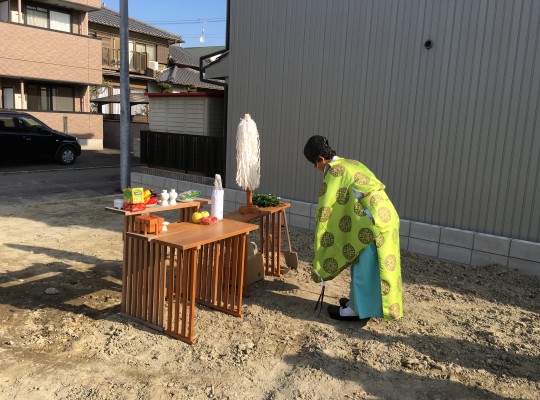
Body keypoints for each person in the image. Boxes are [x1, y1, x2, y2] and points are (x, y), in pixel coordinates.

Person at [303, 135, 403, 322]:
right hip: (386, 213)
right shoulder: (351, 163)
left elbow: (327, 208)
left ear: (320, 159)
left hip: (371, 222)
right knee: (378, 267)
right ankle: (360, 304)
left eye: (314, 164)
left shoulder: (334, 171)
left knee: (364, 266)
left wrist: (322, 238)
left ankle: (355, 311)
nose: (317, 169)